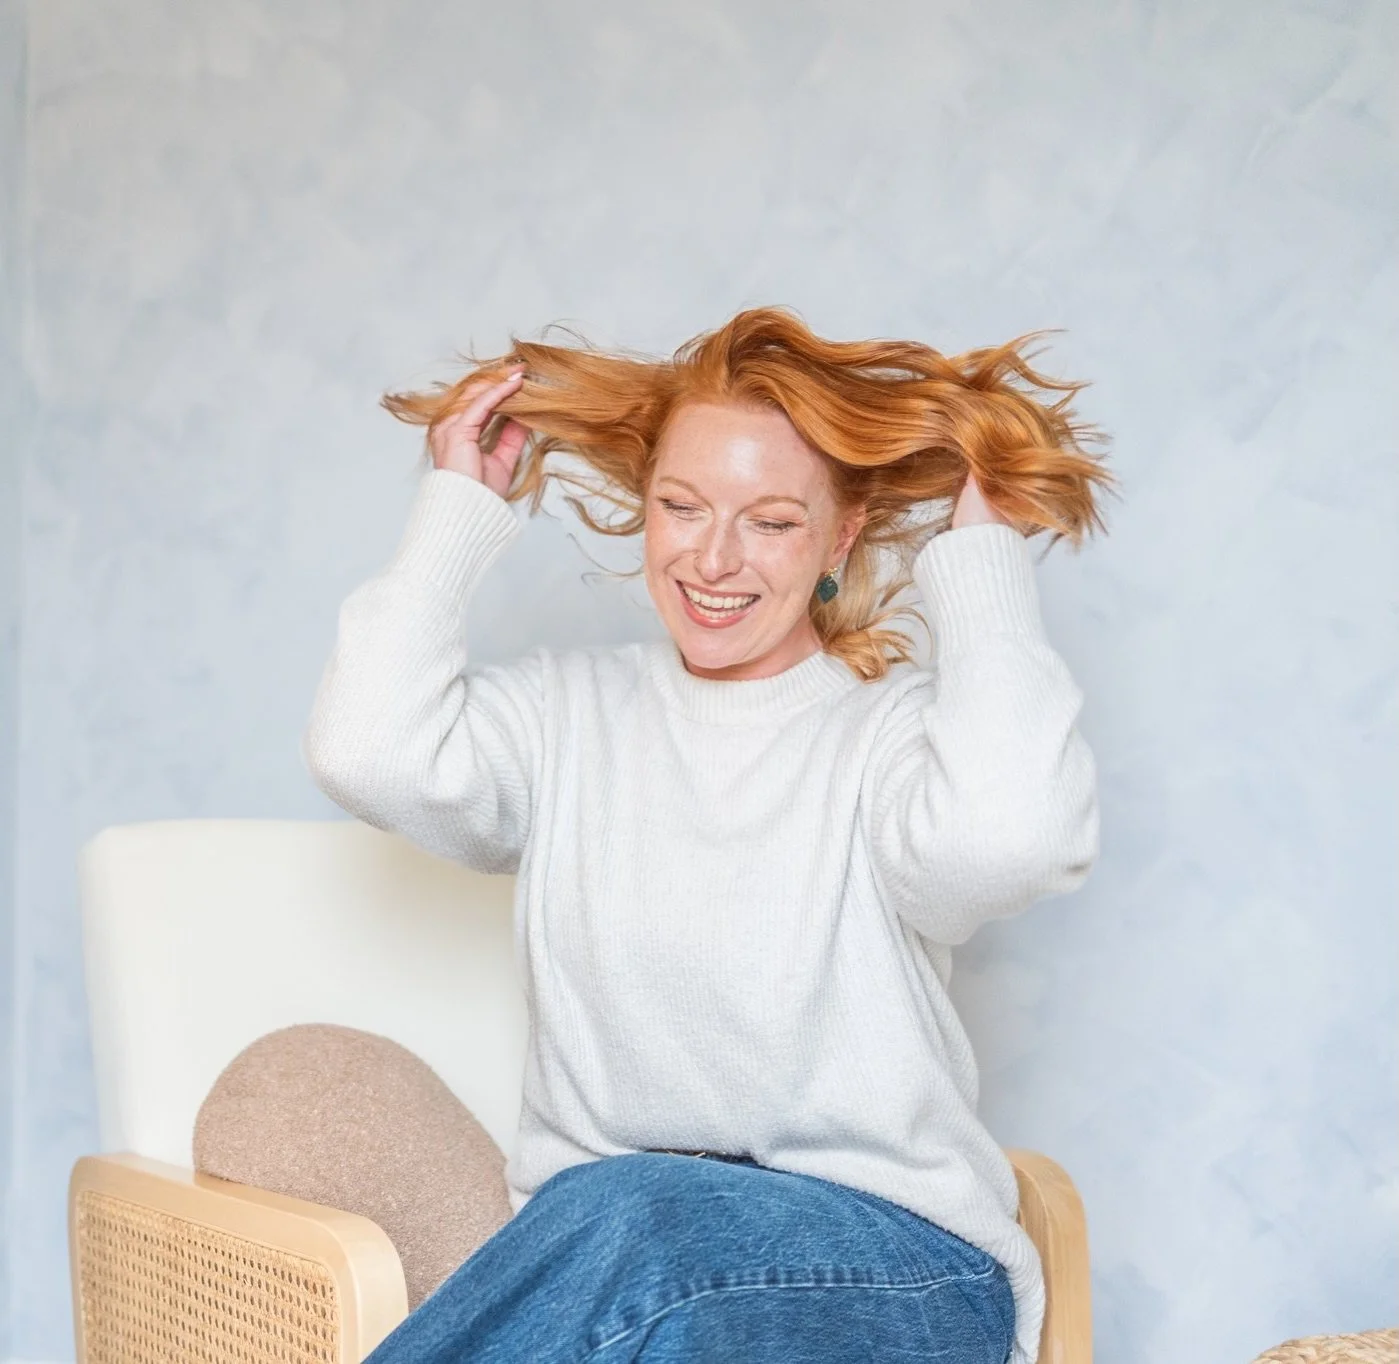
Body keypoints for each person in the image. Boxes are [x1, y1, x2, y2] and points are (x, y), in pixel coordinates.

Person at [302, 306, 1113, 1364]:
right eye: (681, 507)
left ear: (840, 536)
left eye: (770, 522)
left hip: (895, 1265)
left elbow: (1007, 841)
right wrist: (456, 507)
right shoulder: (562, 717)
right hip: (629, 1260)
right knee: (630, 1218)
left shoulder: (893, 741)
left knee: (639, 1214)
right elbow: (367, 753)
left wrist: (983, 556)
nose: (714, 559)